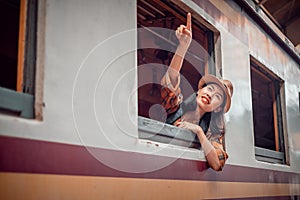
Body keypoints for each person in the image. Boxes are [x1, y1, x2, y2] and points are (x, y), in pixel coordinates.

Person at [160, 13, 233, 171]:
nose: (210, 94)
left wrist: (199, 131)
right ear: (200, 90)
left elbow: (217, 164)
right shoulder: (177, 107)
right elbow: (170, 81)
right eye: (210, 88)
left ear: (218, 108)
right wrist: (183, 47)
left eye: (218, 97)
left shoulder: (210, 131)